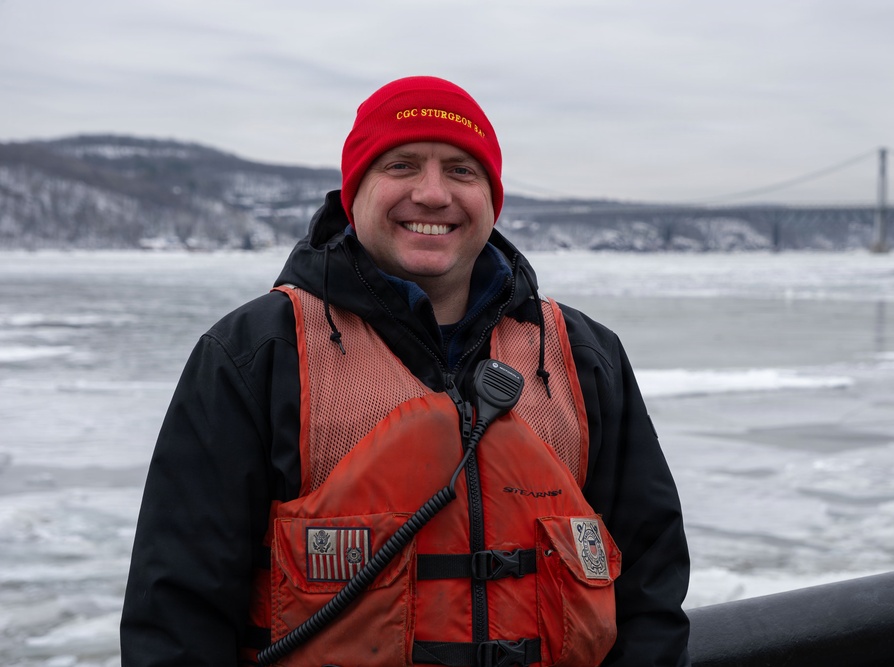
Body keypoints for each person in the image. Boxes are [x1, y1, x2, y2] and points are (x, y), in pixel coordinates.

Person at [121, 76, 690, 666]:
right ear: (354, 190)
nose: (433, 194)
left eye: (462, 172)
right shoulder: (256, 354)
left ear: (492, 199)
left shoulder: (582, 356)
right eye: (402, 165)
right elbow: (176, 616)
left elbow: (651, 586)